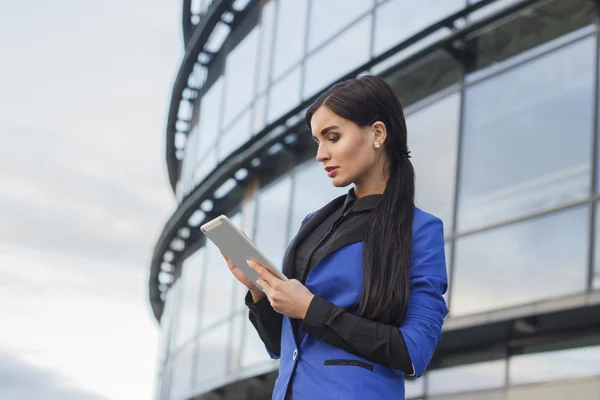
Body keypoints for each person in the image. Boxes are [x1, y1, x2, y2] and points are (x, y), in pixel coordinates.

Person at [221, 75, 449, 400]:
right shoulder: (313, 224)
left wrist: (311, 309)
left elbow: (414, 351)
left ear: (378, 133)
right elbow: (284, 345)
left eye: (333, 137)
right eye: (318, 141)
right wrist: (259, 290)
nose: (321, 154)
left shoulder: (419, 230)